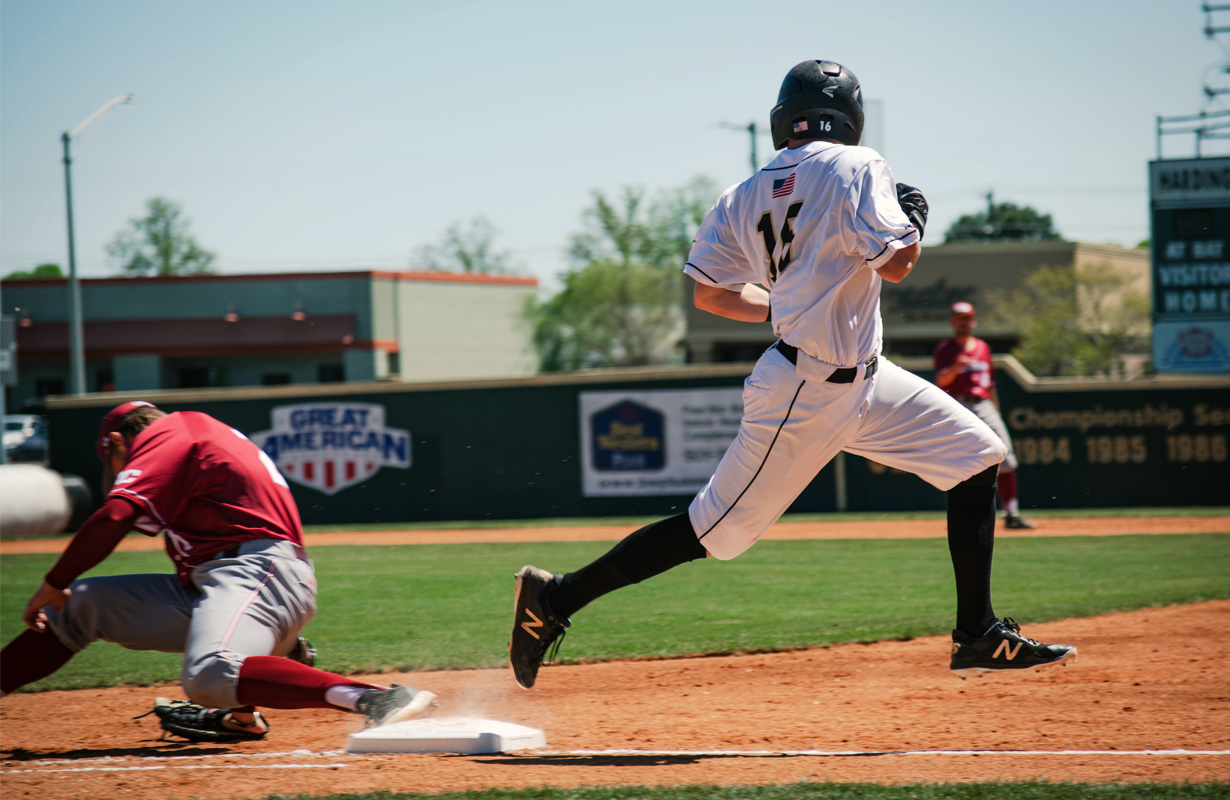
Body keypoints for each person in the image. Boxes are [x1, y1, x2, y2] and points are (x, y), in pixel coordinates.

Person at [509, 60, 1075, 689]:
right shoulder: (859, 165)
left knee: (977, 455)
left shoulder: (743, 192)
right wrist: (914, 219)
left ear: (785, 119)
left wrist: (785, 302)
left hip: (865, 379)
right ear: (850, 115)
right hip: (805, 390)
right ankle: (555, 598)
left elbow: (709, 294)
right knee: (715, 530)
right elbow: (898, 266)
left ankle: (977, 632)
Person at [0, 401, 435, 742]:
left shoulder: (173, 432)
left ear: (114, 442)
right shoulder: (193, 438)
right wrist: (64, 591)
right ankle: (245, 712)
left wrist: (53, 581)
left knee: (209, 675)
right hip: (227, 582)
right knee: (80, 605)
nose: (116, 471)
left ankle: (377, 699)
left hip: (259, 574)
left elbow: (116, 515)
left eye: (112, 460)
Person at [933, 302, 1037, 529]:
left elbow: (990, 385)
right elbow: (940, 382)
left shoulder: (982, 347)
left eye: (967, 317)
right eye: (959, 318)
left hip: (984, 404)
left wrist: (996, 410)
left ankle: (1012, 514)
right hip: (958, 404)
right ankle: (962, 515)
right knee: (958, 460)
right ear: (952, 322)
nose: (963, 321)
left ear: (974, 321)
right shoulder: (945, 349)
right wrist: (955, 366)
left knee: (1005, 456)